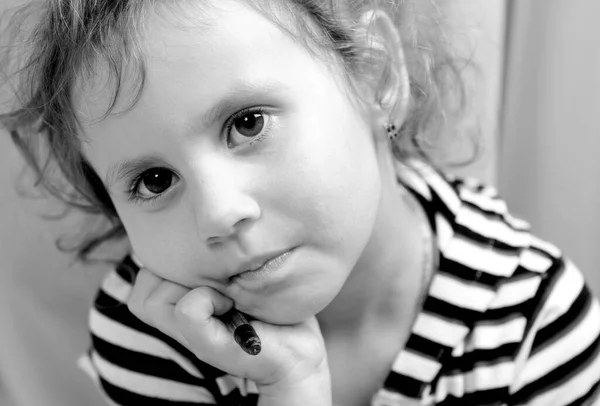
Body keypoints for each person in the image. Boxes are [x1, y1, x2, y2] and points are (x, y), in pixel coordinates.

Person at [1, 0, 599, 405]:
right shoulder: (154, 332)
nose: (218, 213)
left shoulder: (531, 318)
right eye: (155, 181)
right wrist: (292, 386)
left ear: (376, 78)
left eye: (248, 122)